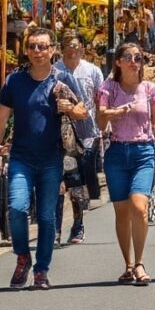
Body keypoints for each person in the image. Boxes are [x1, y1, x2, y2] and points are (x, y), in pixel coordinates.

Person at [0, 28, 84, 290]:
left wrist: (70, 109)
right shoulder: (15, 81)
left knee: (46, 216)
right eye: (32, 47)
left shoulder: (63, 79)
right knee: (17, 209)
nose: (37, 52)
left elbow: (83, 110)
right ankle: (22, 256)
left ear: (53, 50)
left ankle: (41, 270)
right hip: (21, 157)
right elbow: (1, 117)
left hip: (51, 158)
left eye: (43, 47)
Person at [97, 43, 155, 287]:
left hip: (143, 151)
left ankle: (139, 262)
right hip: (116, 152)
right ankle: (127, 264)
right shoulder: (108, 87)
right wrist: (112, 113)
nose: (133, 61)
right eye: (128, 57)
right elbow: (100, 120)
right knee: (122, 212)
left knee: (139, 206)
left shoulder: (149, 89)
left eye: (138, 57)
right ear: (118, 62)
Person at [56, 34, 105, 244]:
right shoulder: (54, 71)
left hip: (86, 133)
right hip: (59, 135)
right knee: (58, 182)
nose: (71, 50)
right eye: (67, 46)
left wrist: (102, 129)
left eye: (75, 45)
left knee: (77, 180)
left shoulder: (92, 71)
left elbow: (99, 99)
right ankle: (55, 229)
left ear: (82, 48)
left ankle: (78, 224)